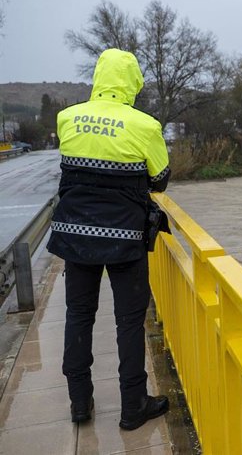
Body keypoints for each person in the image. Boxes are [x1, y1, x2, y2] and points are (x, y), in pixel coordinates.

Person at [47, 48, 171, 431]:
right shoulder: (145, 126)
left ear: (99, 77)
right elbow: (160, 179)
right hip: (125, 239)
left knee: (79, 316)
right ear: (132, 82)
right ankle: (133, 405)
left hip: (75, 236)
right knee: (129, 322)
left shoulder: (67, 118)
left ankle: (80, 402)